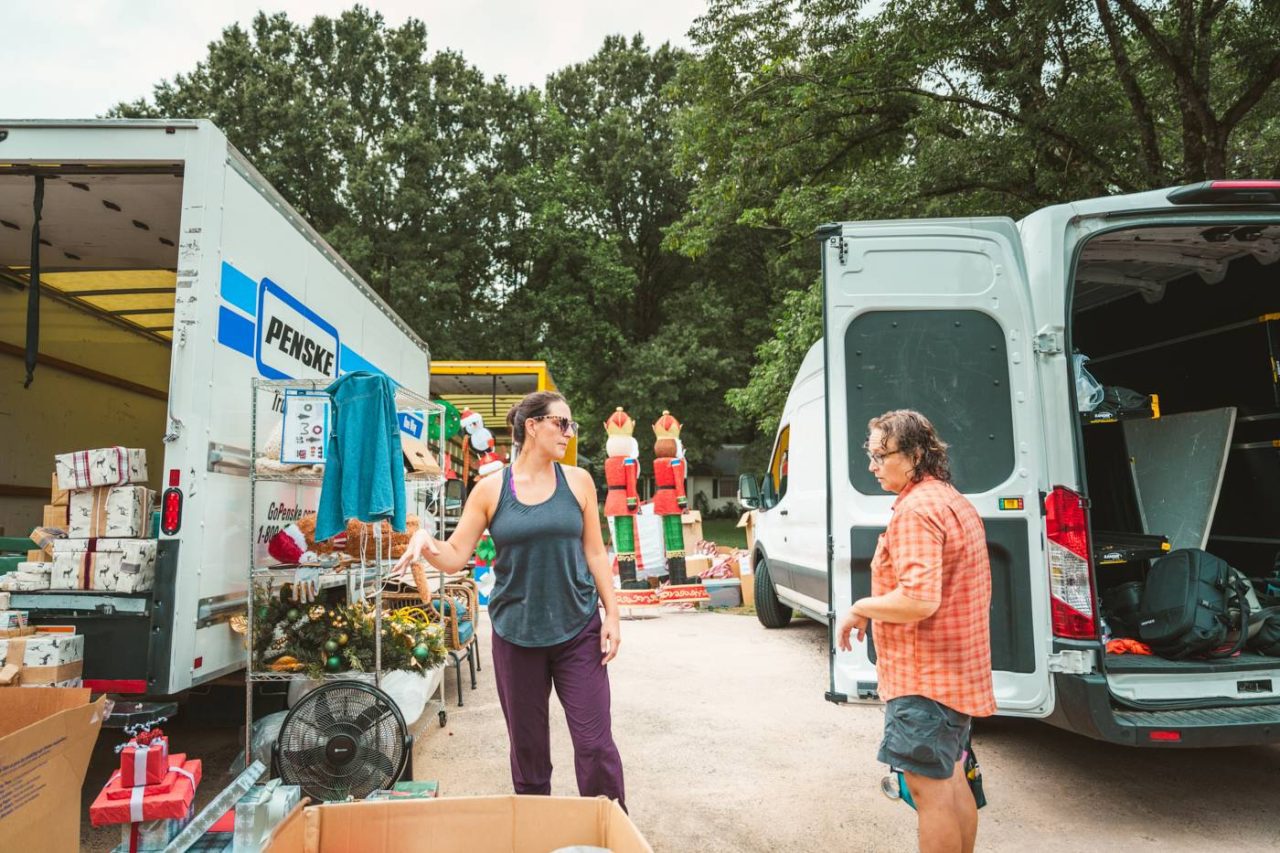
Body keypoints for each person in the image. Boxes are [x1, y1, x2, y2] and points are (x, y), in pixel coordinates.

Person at [395, 390, 627, 808]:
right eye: (561, 423)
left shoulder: (579, 482)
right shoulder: (489, 490)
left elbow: (595, 551)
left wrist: (612, 613)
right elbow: (454, 556)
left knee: (595, 745)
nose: (568, 432)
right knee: (529, 752)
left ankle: (609, 827)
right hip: (517, 635)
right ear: (532, 426)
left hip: (578, 629)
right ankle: (536, 830)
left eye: (571, 425)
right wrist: (426, 541)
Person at [836, 410, 995, 853]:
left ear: (916, 455)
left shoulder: (916, 511)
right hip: (954, 675)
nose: (872, 465)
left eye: (880, 454)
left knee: (930, 793)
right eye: (870, 454)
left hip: (925, 681)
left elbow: (919, 600)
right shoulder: (949, 499)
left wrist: (861, 607)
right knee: (952, 781)